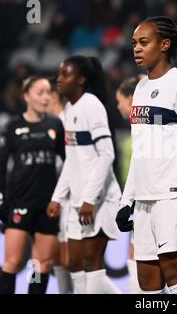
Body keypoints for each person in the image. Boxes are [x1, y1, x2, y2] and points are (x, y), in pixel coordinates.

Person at [116, 16, 177, 294]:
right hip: (143, 199)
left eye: (144, 42)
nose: (137, 49)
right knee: (148, 286)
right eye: (134, 43)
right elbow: (140, 151)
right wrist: (126, 200)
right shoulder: (140, 88)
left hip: (174, 197)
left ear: (164, 44)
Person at [46, 55, 122, 294]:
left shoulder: (92, 106)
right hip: (79, 201)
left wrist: (89, 198)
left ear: (80, 80)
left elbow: (106, 154)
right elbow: (72, 160)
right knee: (74, 263)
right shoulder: (70, 109)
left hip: (98, 201)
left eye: (65, 75)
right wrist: (58, 197)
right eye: (59, 74)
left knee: (91, 263)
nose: (59, 79)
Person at [0, 76, 65, 294]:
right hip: (20, 202)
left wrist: (61, 197)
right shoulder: (14, 127)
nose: (45, 97)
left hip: (47, 205)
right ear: (26, 96)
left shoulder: (55, 124)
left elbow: (68, 163)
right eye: (39, 92)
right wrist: (0, 198)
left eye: (48, 93)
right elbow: (0, 165)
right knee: (13, 262)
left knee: (39, 265)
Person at [115, 75, 145, 293]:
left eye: (120, 101)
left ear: (131, 98)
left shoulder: (146, 123)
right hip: (141, 201)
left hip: (153, 201)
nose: (118, 106)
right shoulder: (137, 127)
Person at [46, 84, 73, 294]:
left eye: (47, 94)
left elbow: (69, 163)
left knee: (69, 258)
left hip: (68, 197)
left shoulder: (67, 121)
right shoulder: (47, 124)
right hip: (48, 196)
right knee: (49, 257)